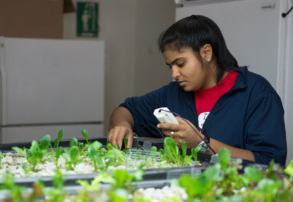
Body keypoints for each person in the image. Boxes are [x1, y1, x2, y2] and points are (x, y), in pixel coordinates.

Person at [107, 15, 287, 166]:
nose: (174, 74)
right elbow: (126, 109)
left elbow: (270, 162)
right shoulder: (173, 93)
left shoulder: (256, 93)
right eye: (170, 66)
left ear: (206, 53)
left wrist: (202, 144)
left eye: (180, 64)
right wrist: (121, 125)